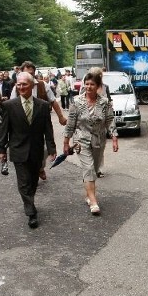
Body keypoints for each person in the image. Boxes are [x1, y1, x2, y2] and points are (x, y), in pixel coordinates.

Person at [0, 72, 57, 228]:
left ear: (32, 86)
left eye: (24, 84)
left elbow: (48, 129)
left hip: (36, 150)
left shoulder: (43, 106)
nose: (21, 87)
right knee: (23, 182)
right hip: (18, 149)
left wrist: (51, 148)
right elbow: (4, 129)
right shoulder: (9, 105)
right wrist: (1, 149)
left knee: (33, 181)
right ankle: (31, 212)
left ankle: (30, 201)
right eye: (19, 84)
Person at [63, 71, 118, 215]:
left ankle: (88, 194)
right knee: (88, 168)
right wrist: (66, 142)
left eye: (92, 84)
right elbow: (70, 124)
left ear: (98, 86)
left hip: (98, 140)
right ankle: (93, 201)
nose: (88, 87)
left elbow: (110, 120)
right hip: (81, 140)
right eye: (86, 84)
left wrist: (114, 137)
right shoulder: (76, 102)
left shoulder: (104, 102)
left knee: (93, 169)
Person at [11, 61, 67, 181]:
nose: (29, 75)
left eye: (31, 73)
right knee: (27, 148)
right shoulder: (17, 87)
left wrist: (61, 117)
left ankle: (39, 167)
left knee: (45, 149)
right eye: (26, 72)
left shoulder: (42, 85)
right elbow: (11, 106)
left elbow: (53, 101)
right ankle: (31, 171)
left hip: (40, 122)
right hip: (23, 123)